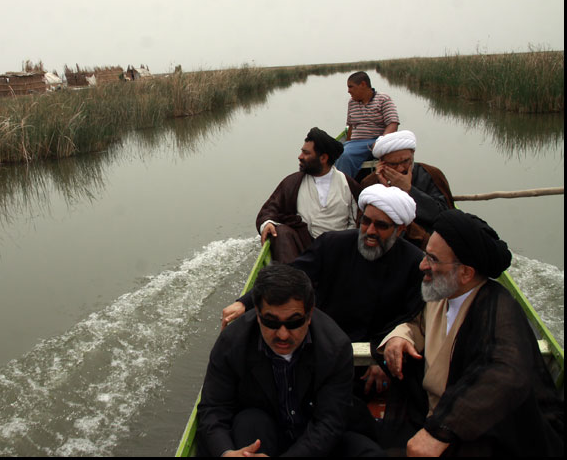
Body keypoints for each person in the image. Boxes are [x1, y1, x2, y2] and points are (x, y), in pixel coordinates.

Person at [377, 210, 563, 456]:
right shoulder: (440, 293)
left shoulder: (497, 306)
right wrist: (400, 336)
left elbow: (506, 371)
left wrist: (439, 431)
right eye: (425, 254)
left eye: (432, 259)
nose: (422, 265)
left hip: (479, 434)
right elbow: (419, 323)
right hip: (429, 419)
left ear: (466, 272)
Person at [223, 184, 424, 396]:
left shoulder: (415, 263)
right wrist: (244, 303)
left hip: (378, 351)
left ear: (400, 229)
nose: (370, 231)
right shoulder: (334, 244)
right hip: (325, 343)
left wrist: (382, 360)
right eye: (366, 221)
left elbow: (411, 317)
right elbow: (292, 276)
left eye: (381, 225)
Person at [197, 263, 383, 457]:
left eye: (294, 322)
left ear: (309, 315)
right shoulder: (232, 343)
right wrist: (226, 453)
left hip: (315, 439)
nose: (283, 335)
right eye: (271, 322)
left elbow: (329, 422)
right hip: (263, 433)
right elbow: (214, 408)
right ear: (258, 316)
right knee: (250, 422)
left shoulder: (334, 347)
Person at [256, 127, 362, 263]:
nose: (300, 157)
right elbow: (270, 209)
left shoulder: (348, 184)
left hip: (340, 251)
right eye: (302, 152)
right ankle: (293, 280)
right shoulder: (293, 182)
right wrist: (267, 223)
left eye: (306, 153)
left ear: (323, 158)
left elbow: (360, 219)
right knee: (280, 232)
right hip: (305, 251)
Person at [360, 130, 455, 249]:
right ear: (381, 163)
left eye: (405, 161)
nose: (400, 169)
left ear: (413, 154)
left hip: (427, 244)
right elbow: (364, 222)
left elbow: (443, 215)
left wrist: (409, 190)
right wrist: (388, 190)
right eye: (393, 164)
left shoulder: (431, 174)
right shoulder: (370, 182)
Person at [335, 72, 399, 178]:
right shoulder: (352, 103)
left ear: (363, 85)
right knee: (330, 152)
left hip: (375, 141)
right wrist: (348, 143)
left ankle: (343, 187)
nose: (348, 91)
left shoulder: (383, 99)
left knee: (345, 155)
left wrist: (381, 141)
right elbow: (350, 127)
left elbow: (393, 123)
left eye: (351, 87)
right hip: (355, 143)